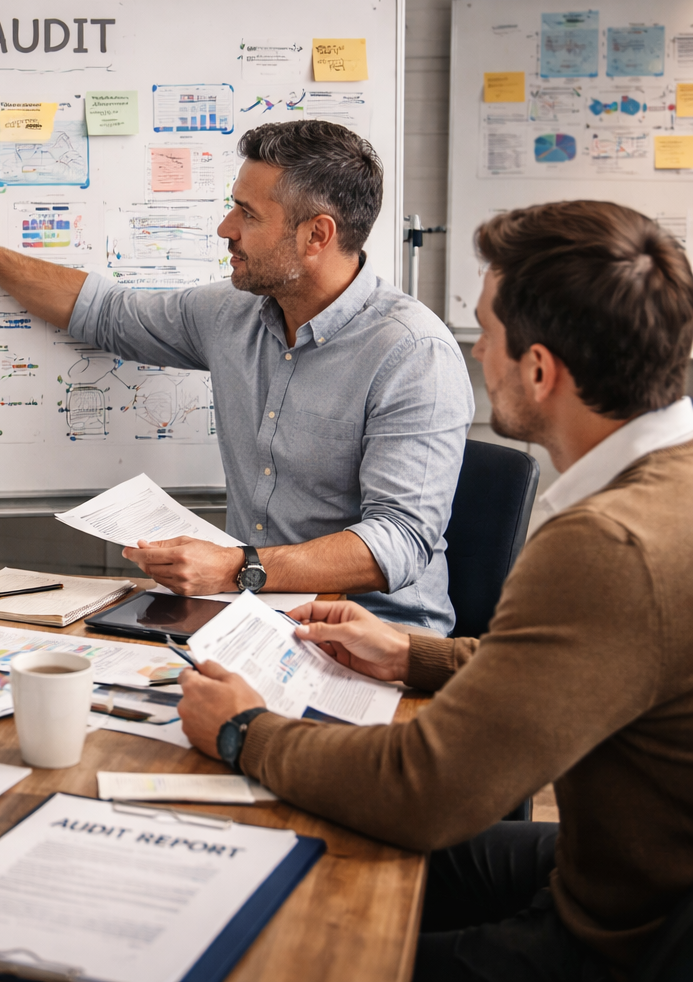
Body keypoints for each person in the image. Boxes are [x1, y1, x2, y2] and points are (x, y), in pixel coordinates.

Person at [176, 200, 693, 981]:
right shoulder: (666, 490)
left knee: (274, 957)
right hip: (619, 866)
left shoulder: (607, 545)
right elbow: (590, 661)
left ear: (540, 369)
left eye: (486, 332)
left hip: (622, 939)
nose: (477, 352)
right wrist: (411, 654)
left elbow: (424, 793)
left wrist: (243, 729)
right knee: (297, 859)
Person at [0, 120, 473, 633]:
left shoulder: (412, 353)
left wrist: (238, 567)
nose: (226, 228)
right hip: (257, 615)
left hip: (378, 637)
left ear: (316, 235)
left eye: (248, 214)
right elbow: (106, 312)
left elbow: (400, 541)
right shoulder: (232, 314)